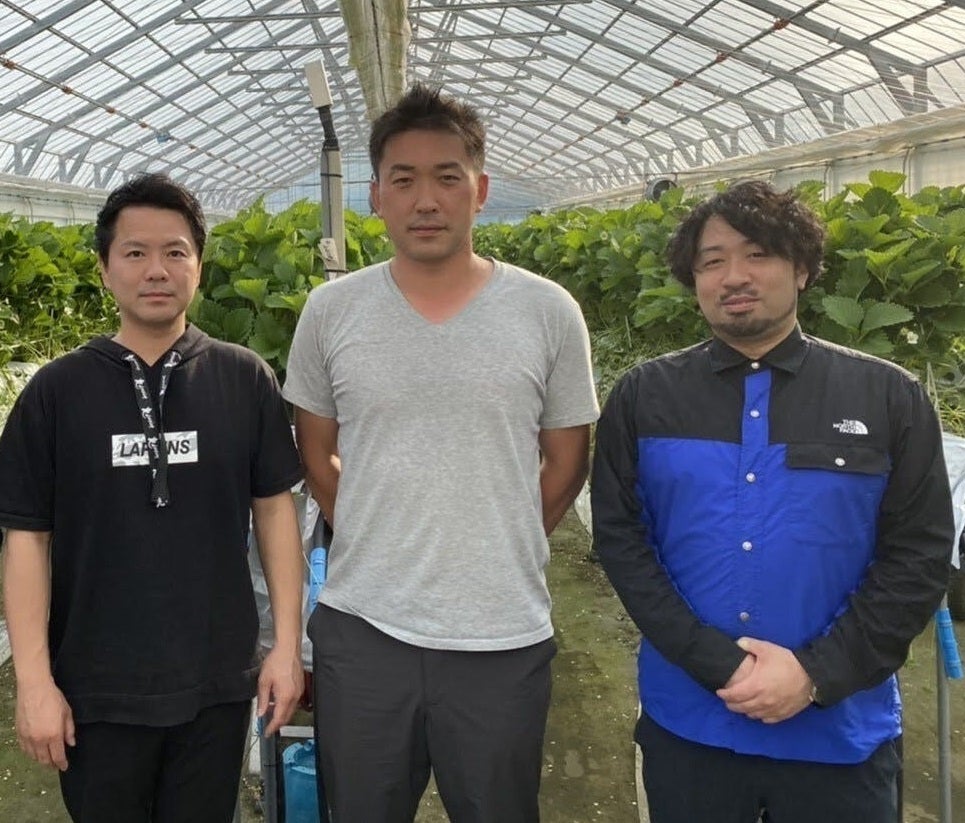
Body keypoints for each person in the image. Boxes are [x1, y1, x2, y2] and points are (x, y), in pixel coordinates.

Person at [591, 180, 954, 823]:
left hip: (840, 733)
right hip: (692, 723)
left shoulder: (887, 397)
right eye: (712, 261)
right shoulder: (646, 396)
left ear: (803, 269)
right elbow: (622, 541)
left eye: (758, 254)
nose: (734, 276)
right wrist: (717, 664)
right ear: (694, 280)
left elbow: (918, 555)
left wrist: (817, 673)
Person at [283, 82, 599, 822]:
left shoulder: (547, 311)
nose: (426, 200)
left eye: (447, 177)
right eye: (404, 179)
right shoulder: (331, 311)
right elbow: (314, 450)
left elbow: (566, 462)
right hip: (364, 629)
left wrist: (498, 539)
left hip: (502, 636)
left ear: (479, 191)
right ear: (375, 197)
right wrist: (373, 530)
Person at [0, 172, 305, 823]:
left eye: (175, 252)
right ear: (105, 268)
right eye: (135, 252)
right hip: (95, 689)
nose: (156, 270)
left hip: (216, 682)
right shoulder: (57, 393)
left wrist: (285, 645)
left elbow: (276, 511)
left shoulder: (243, 378)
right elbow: (27, 537)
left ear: (199, 265)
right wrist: (34, 681)